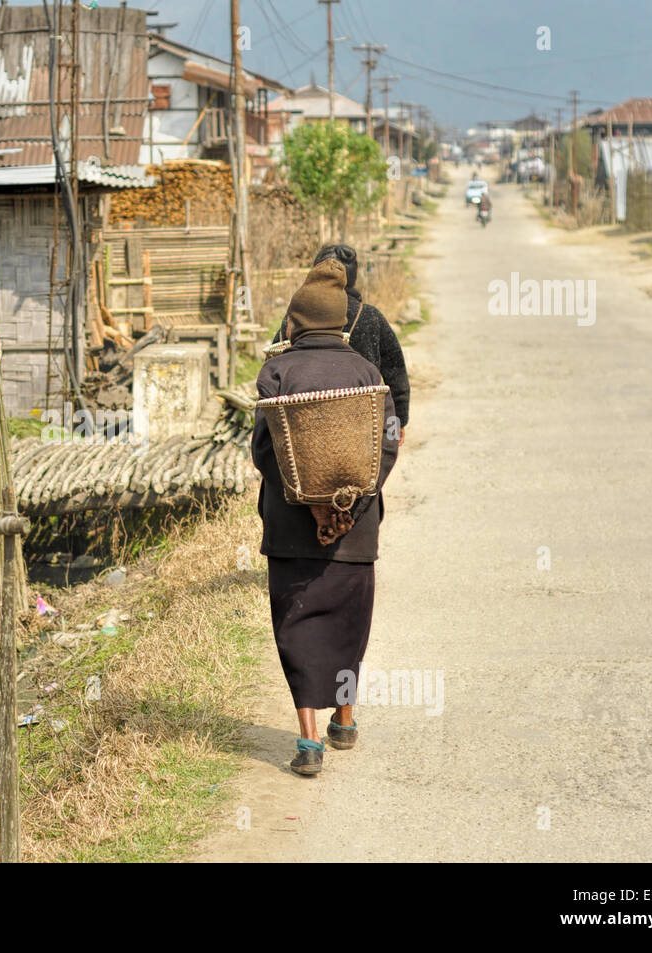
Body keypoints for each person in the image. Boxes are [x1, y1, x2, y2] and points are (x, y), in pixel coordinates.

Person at [252, 257, 400, 776]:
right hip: (355, 531)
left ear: (296, 322)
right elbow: (386, 447)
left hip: (291, 532)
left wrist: (305, 498)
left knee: (299, 628)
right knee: (346, 624)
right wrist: (350, 501)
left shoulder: (277, 371)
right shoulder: (367, 373)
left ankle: (309, 742)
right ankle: (346, 719)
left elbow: (263, 453)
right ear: (341, 324)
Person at [272, 244, 410, 442]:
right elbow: (395, 374)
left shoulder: (295, 317)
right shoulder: (369, 316)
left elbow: (274, 363)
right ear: (353, 277)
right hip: (362, 432)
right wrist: (397, 424)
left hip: (304, 432)